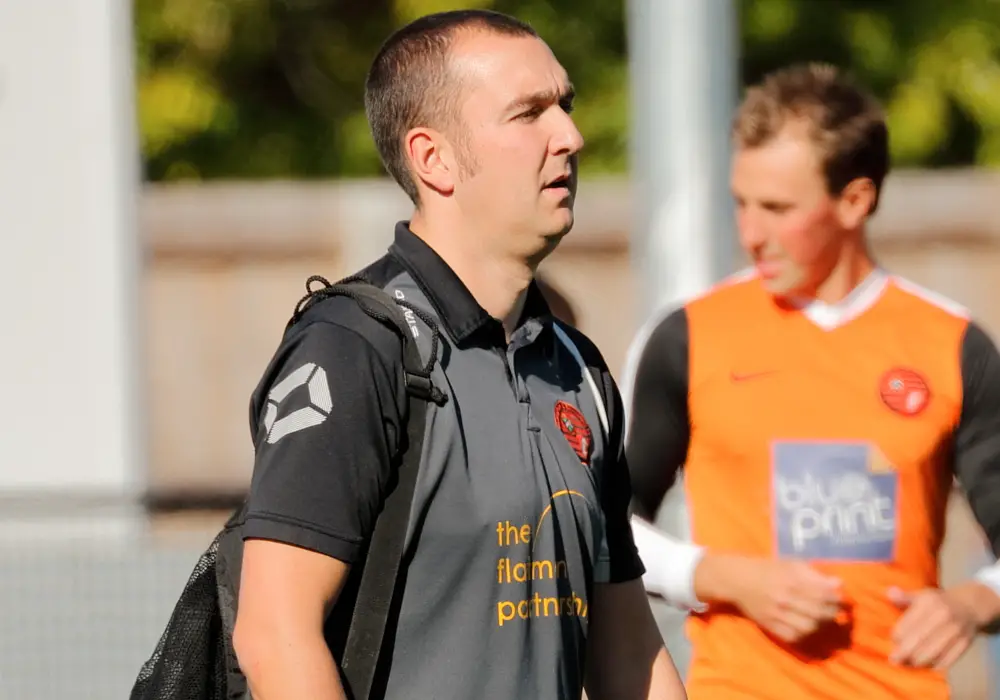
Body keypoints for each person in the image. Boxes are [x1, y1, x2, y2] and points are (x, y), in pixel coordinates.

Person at [231, 9, 685, 700]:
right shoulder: (357, 348)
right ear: (433, 158)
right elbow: (274, 636)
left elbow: (626, 650)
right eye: (528, 113)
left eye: (565, 105)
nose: (570, 135)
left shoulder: (578, 369)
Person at [624, 63, 1000, 700]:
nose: (750, 233)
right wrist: (718, 576)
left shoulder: (953, 344)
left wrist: (972, 601)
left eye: (776, 208)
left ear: (854, 200)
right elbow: (602, 525)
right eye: (740, 203)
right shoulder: (687, 337)